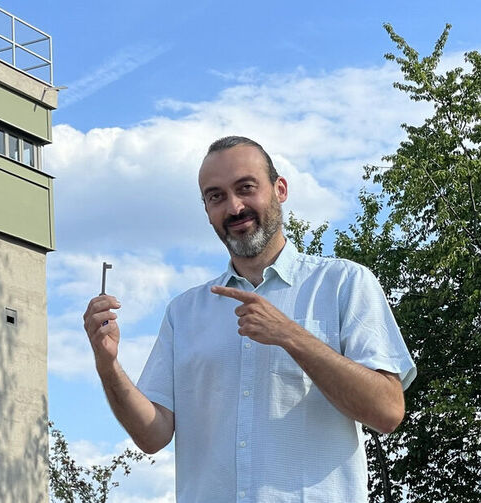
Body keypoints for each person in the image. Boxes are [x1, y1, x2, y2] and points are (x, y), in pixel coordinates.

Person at [82, 136, 416, 502]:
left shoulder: (344, 284)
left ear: (280, 189)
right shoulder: (184, 312)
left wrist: (290, 335)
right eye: (216, 196)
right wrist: (108, 365)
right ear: (207, 209)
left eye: (246, 188)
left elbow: (387, 410)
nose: (234, 207)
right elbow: (152, 436)